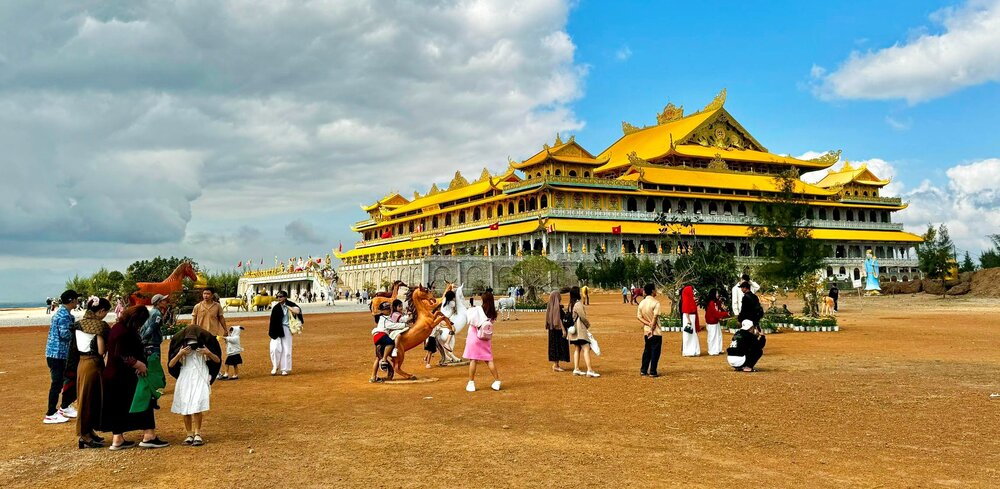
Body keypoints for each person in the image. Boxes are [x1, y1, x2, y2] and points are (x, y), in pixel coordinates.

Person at [103, 306, 168, 450]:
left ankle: (117, 438)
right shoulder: (125, 332)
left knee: (118, 406)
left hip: (112, 375)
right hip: (126, 376)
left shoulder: (117, 327)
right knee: (144, 401)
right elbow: (121, 354)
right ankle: (149, 435)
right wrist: (139, 364)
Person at [168, 324, 222, 446]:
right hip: (185, 376)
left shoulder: (203, 350)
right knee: (185, 406)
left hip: (200, 374)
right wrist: (180, 354)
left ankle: (197, 433)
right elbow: (171, 365)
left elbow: (217, 360)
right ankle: (189, 434)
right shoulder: (182, 351)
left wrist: (208, 352)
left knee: (197, 404)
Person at [71, 297, 111, 448]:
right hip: (94, 364)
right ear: (101, 311)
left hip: (81, 363)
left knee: (85, 398)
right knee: (92, 399)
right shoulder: (99, 326)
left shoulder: (79, 323)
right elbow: (101, 351)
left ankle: (88, 432)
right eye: (106, 312)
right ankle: (84, 435)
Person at [44, 289, 80, 425]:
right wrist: (78, 332)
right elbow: (65, 335)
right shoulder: (63, 316)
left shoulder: (65, 314)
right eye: (76, 299)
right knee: (57, 383)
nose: (77, 301)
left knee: (68, 379)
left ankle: (65, 406)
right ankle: (50, 413)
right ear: (72, 301)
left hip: (59, 354)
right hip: (57, 354)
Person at [464, 291, 502, 391]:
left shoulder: (477, 309)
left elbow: (469, 319)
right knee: (489, 360)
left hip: (474, 337)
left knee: (473, 360)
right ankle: (497, 381)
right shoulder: (493, 313)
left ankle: (471, 383)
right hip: (486, 338)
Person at [566, 286, 599, 377]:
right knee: (586, 348)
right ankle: (589, 370)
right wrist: (587, 325)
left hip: (573, 331)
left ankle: (576, 368)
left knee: (577, 348)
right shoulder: (578, 304)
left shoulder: (570, 304)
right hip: (580, 330)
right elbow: (583, 317)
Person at [192, 288, 227, 372]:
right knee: (200, 353)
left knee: (214, 353)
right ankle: (202, 371)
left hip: (213, 334)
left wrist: (225, 330)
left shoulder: (217, 306)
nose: (206, 296)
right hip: (200, 334)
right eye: (204, 293)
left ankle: (216, 371)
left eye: (208, 294)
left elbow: (221, 318)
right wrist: (192, 332)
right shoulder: (197, 306)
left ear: (212, 295)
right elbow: (193, 320)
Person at [268, 290, 302, 376]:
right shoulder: (276, 308)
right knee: (274, 348)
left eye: (281, 296)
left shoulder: (290, 304)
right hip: (276, 329)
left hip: (287, 328)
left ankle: (285, 368)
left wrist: (287, 306)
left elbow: (297, 311)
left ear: (285, 297)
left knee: (286, 349)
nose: (279, 298)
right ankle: (275, 366)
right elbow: (272, 321)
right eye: (278, 297)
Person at [637, 283, 662, 377]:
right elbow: (655, 316)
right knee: (655, 351)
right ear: (652, 291)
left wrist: (647, 324)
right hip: (655, 331)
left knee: (647, 350)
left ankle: (643, 370)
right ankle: (653, 371)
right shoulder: (656, 303)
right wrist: (652, 327)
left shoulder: (642, 303)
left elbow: (639, 317)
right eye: (655, 289)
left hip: (646, 330)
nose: (656, 291)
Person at [544, 290, 569, 372]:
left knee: (554, 346)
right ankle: (556, 365)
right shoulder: (556, 307)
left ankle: (556, 364)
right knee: (557, 346)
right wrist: (563, 330)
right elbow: (558, 319)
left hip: (552, 330)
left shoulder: (550, 306)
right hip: (557, 330)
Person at [704, 288, 730, 356]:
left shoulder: (716, 302)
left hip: (715, 321)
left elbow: (720, 310)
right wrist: (725, 314)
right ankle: (712, 350)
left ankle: (718, 349)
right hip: (711, 322)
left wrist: (724, 313)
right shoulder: (711, 303)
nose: (718, 295)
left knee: (718, 336)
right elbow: (715, 313)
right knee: (712, 336)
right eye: (717, 293)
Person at [680, 284, 700, 357]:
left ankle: (693, 350)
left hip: (692, 317)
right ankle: (689, 351)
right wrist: (688, 320)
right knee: (688, 334)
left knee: (692, 334)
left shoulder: (690, 299)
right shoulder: (687, 300)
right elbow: (686, 311)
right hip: (688, 318)